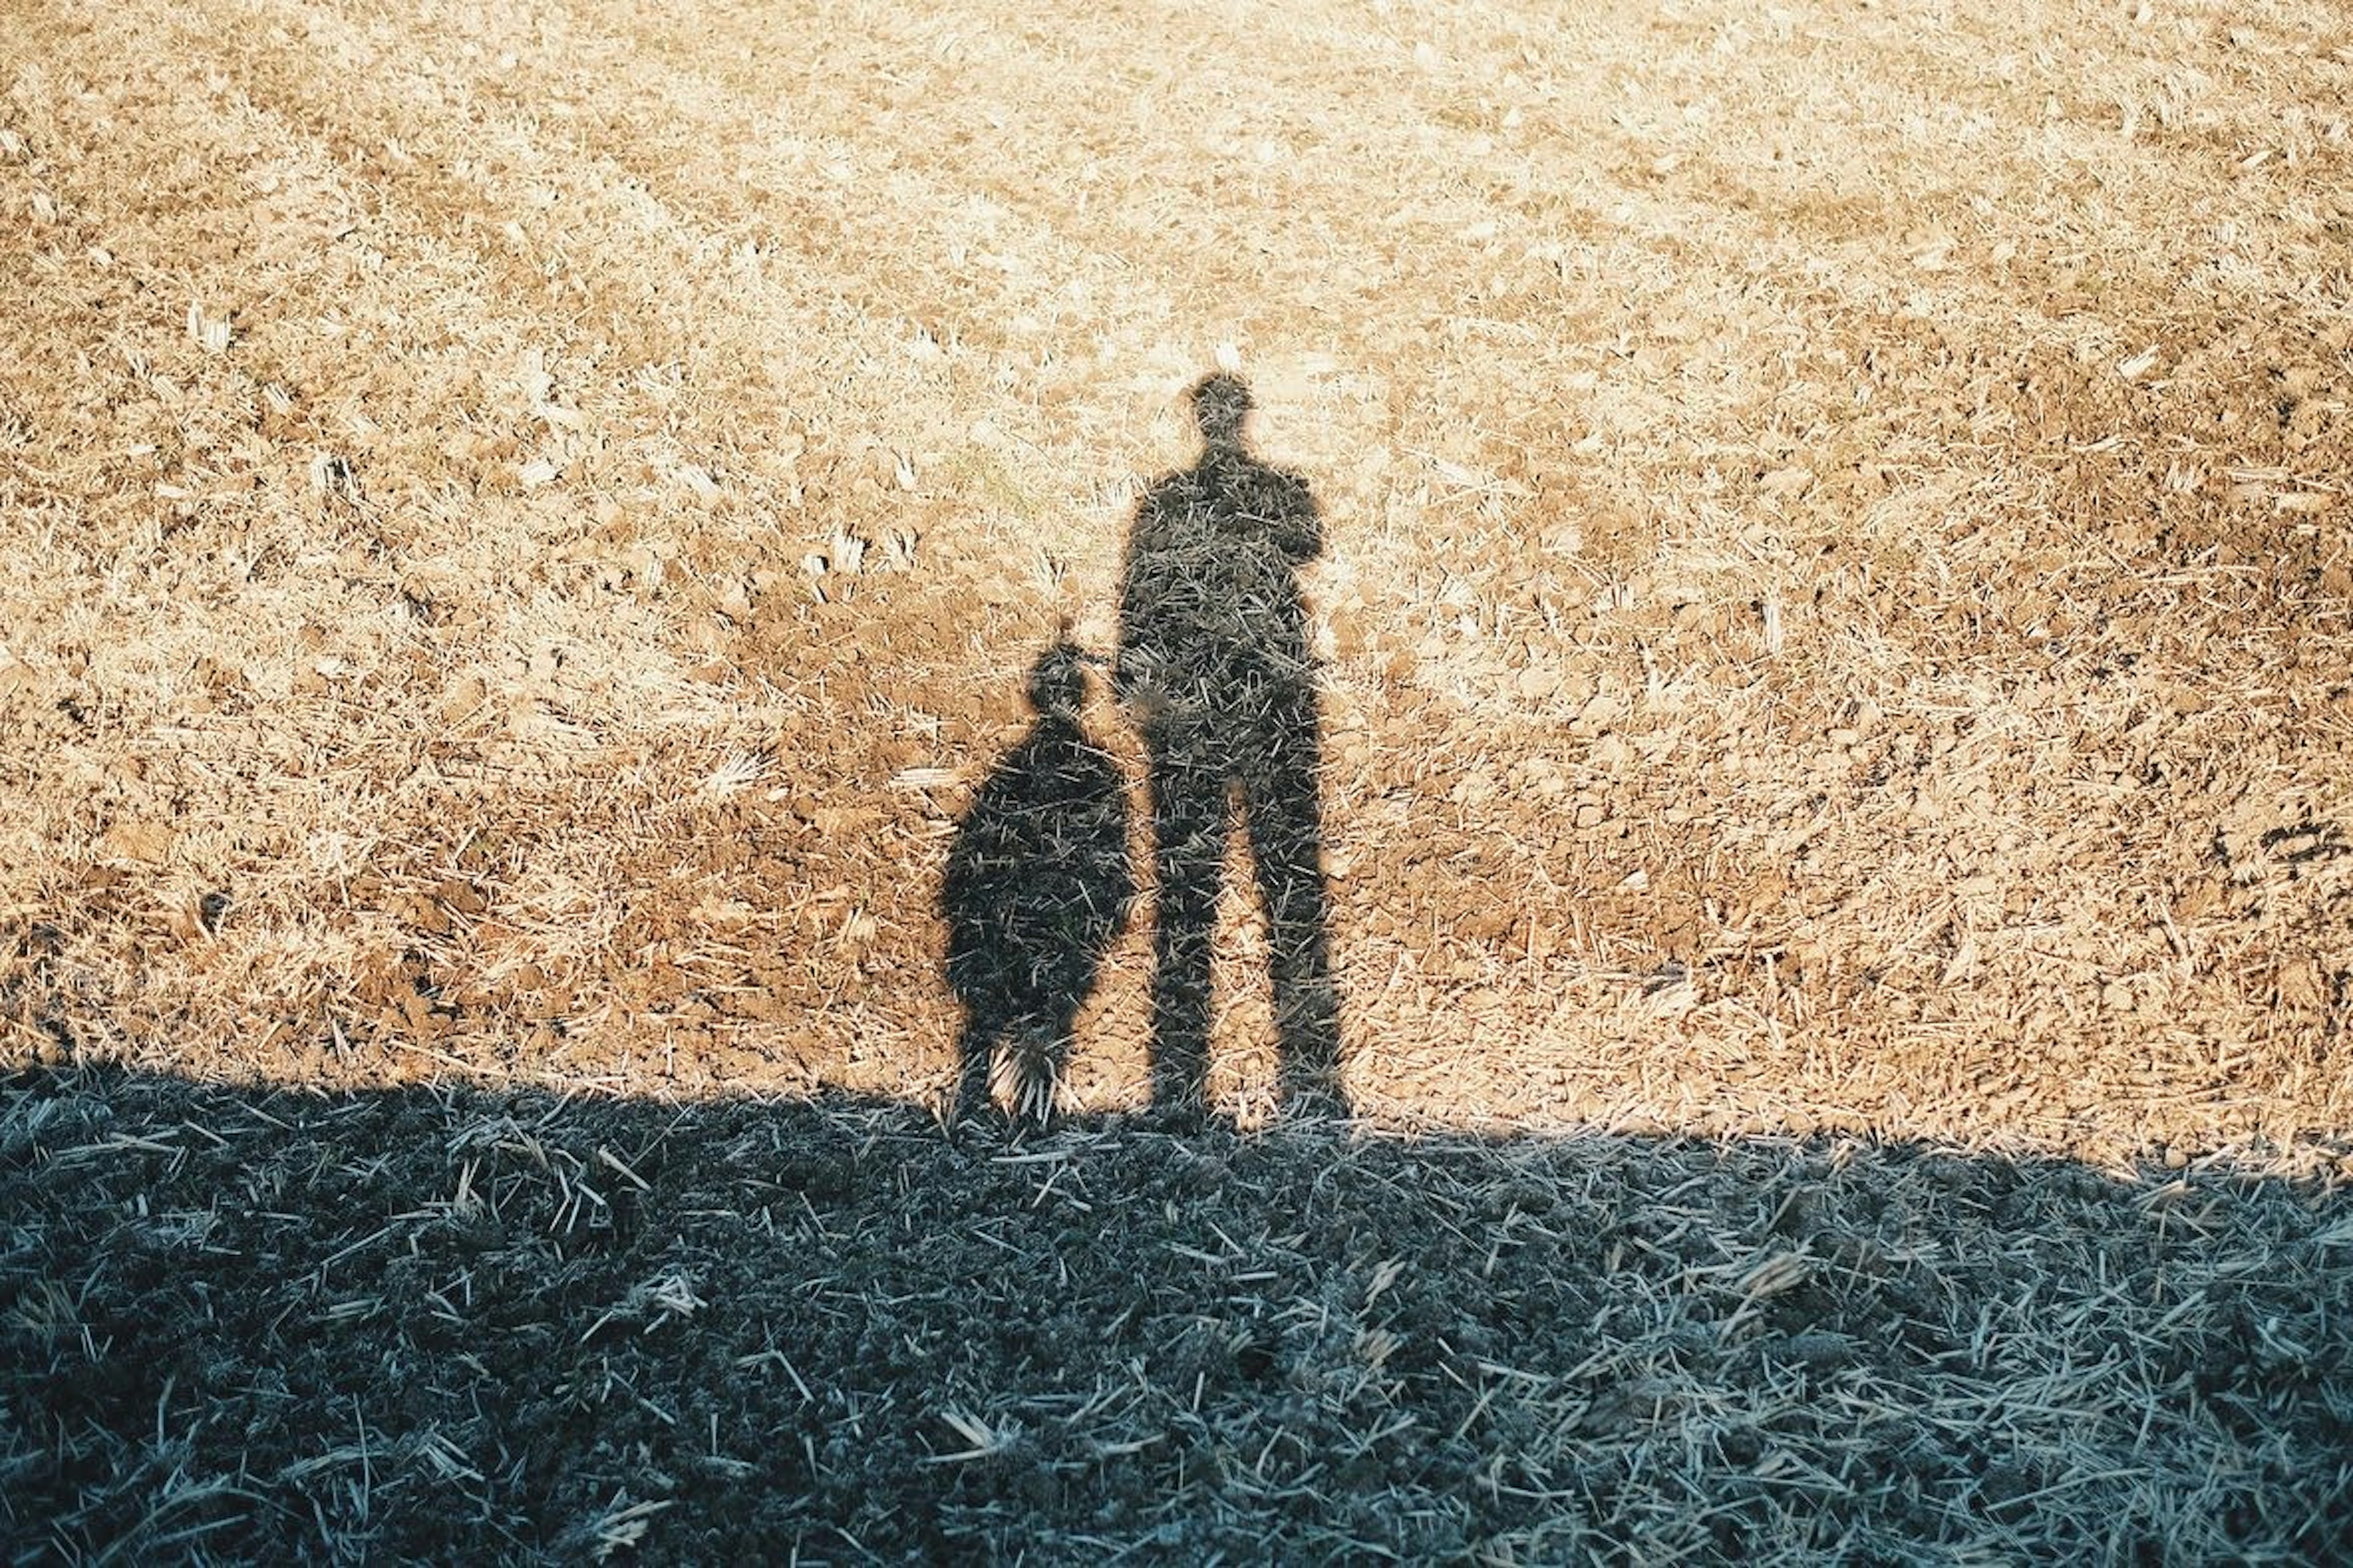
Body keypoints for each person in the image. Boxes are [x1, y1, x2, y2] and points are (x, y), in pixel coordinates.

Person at [1116, 373, 1345, 1119]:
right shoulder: (1266, 489)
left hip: (1221, 703)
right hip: (1248, 700)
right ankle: (1281, 1080)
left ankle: (1179, 1079)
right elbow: (1308, 543)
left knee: (1198, 886)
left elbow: (1141, 594)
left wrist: (1135, 683)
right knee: (1270, 880)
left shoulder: (1167, 502)